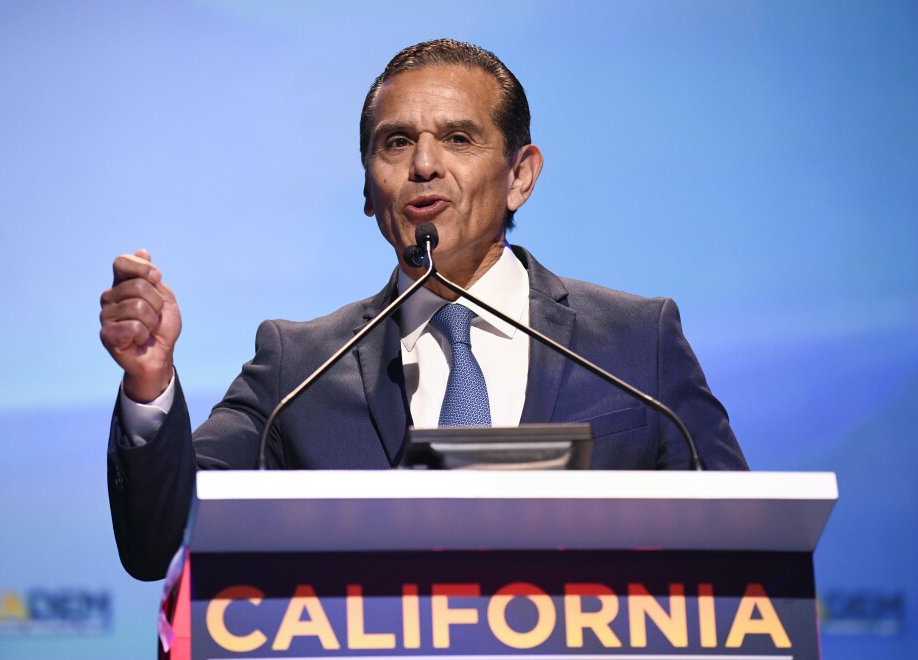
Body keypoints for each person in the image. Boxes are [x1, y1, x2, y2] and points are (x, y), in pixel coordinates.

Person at [100, 39, 747, 581]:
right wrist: (149, 383)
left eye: (459, 138)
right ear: (367, 187)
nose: (425, 165)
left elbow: (743, 551)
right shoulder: (297, 367)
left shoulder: (635, 342)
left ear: (520, 175)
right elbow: (161, 541)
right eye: (396, 143)